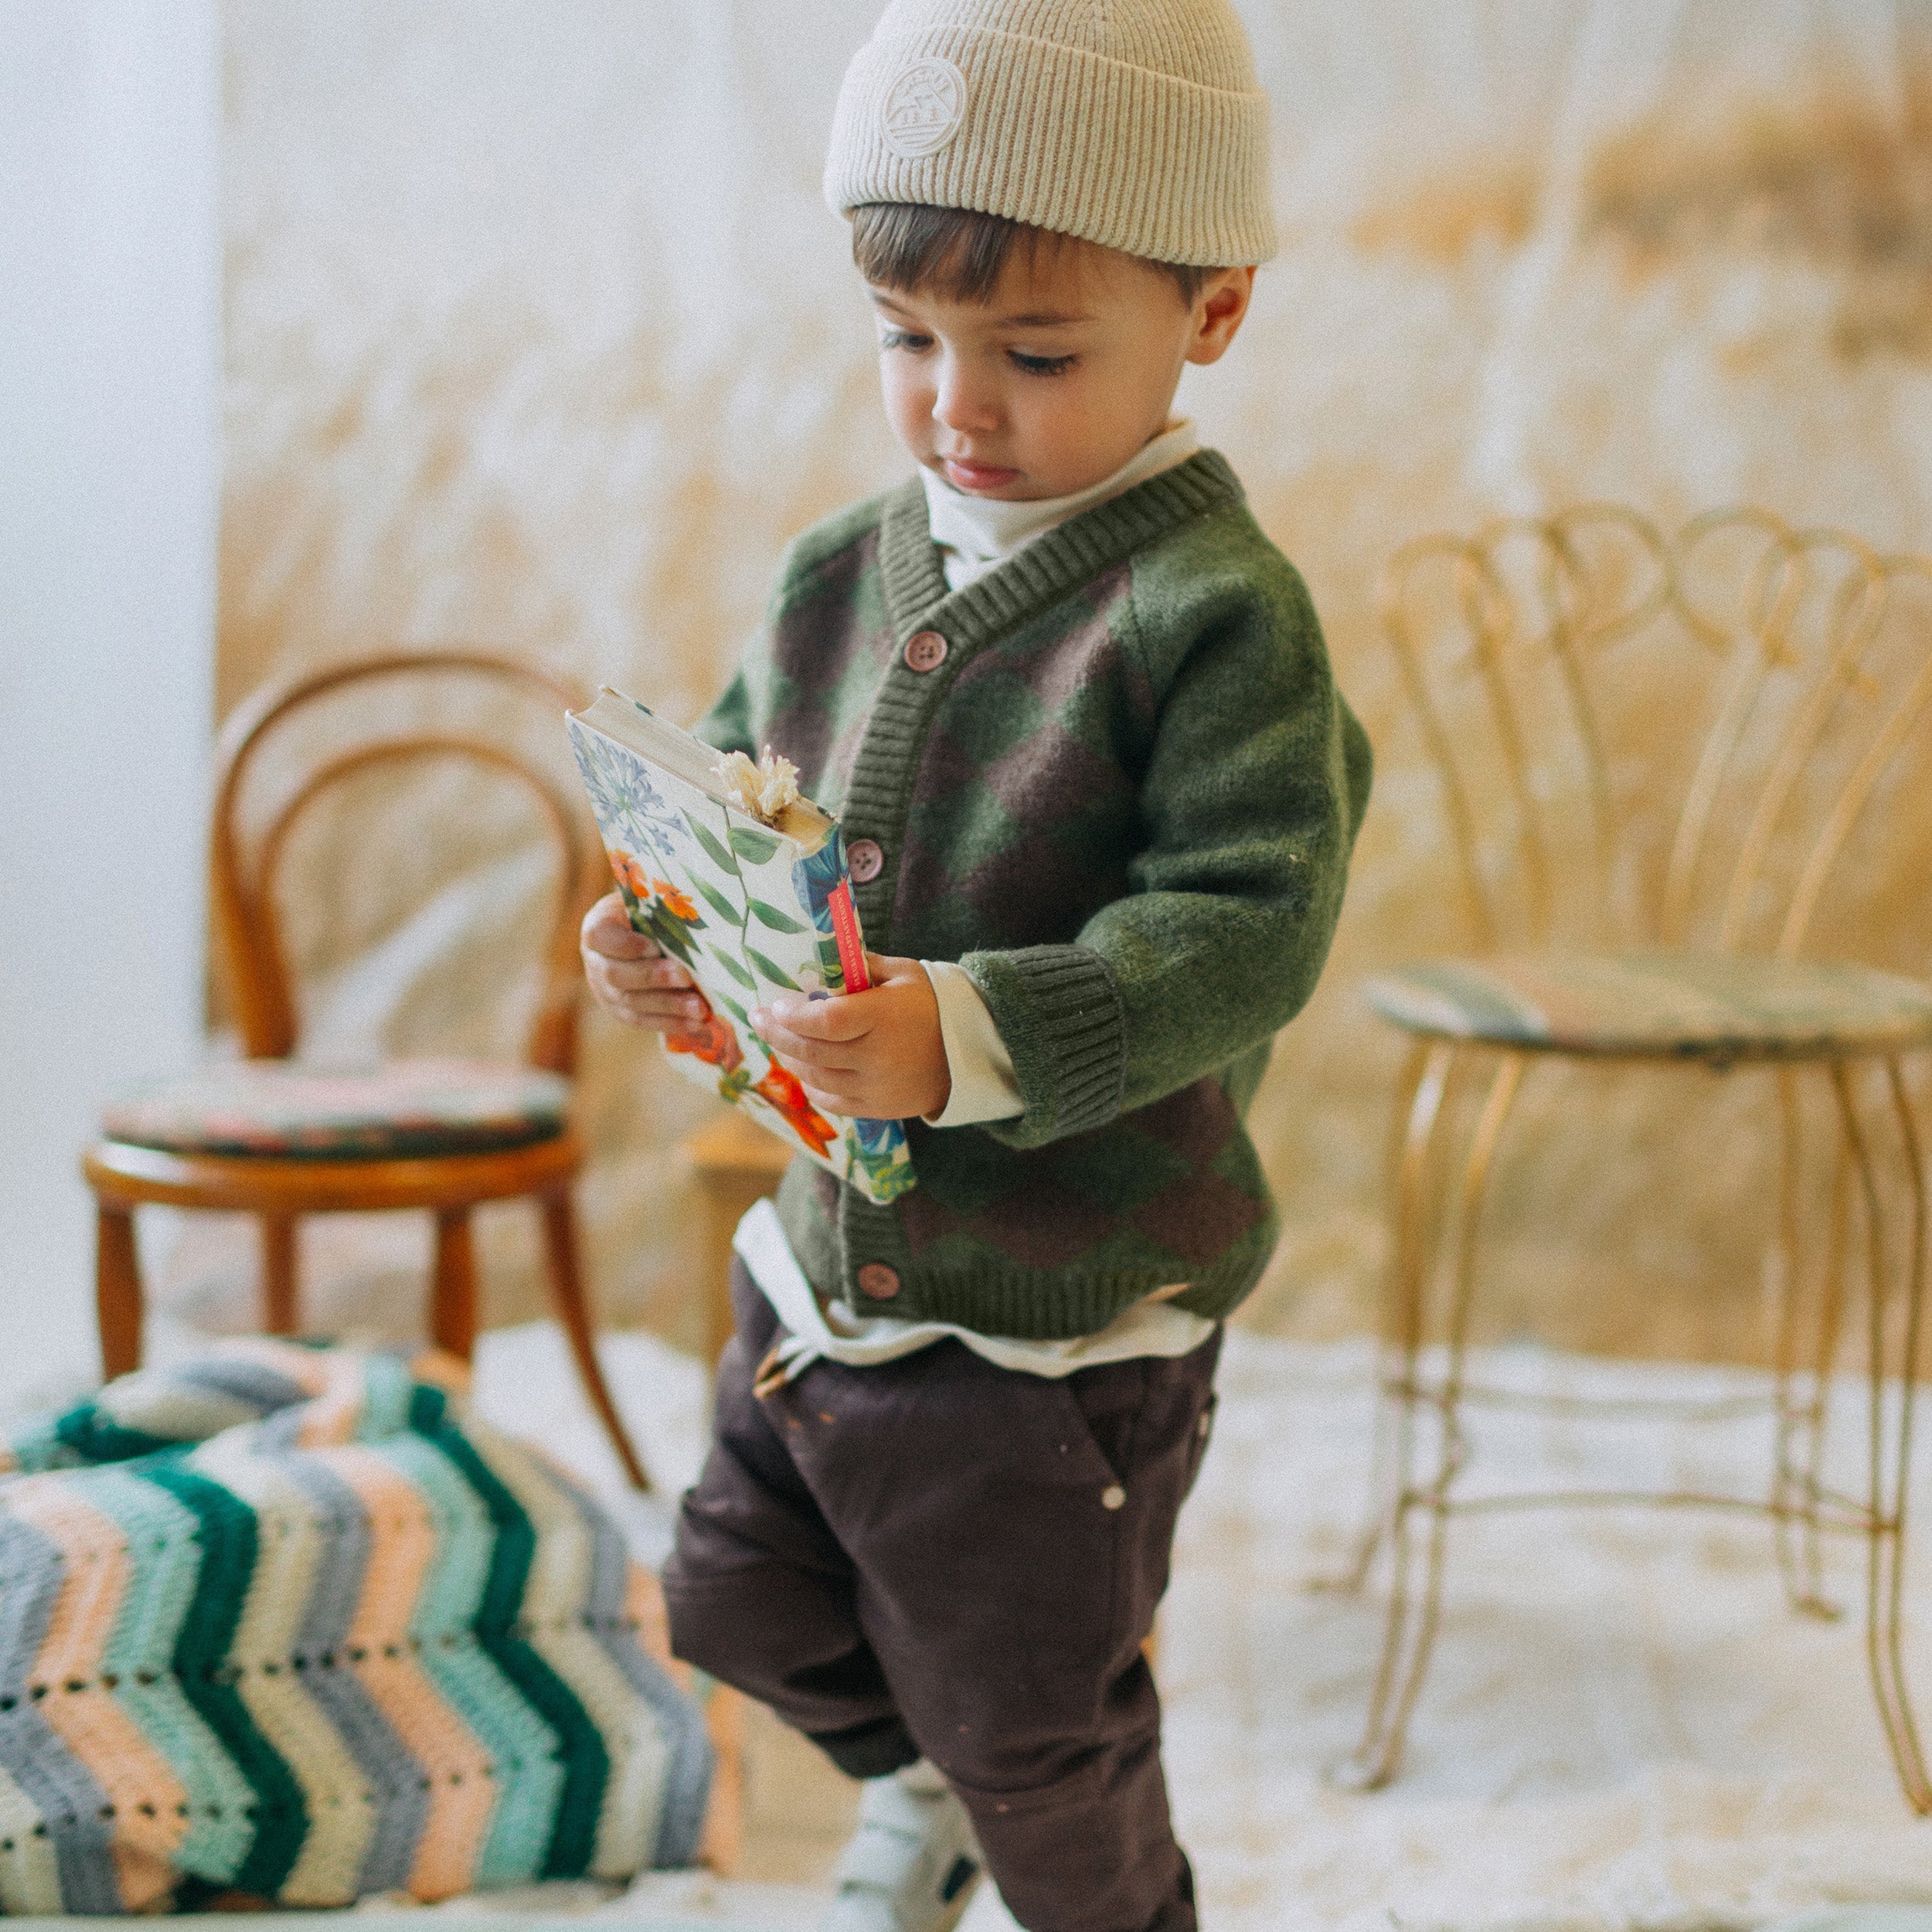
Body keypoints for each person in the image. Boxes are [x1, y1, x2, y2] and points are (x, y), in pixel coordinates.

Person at [580, 3, 1372, 1926]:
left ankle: (1031, 1832)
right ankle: (915, 1779)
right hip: (820, 1266)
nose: (957, 402)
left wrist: (971, 1026)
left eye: (1031, 351)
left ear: (1211, 313)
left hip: (1055, 1315)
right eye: (905, 338)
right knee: (735, 1593)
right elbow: (734, 818)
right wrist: (669, 948)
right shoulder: (836, 571)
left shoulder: (1213, 612)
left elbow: (1249, 918)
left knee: (1044, 1725)